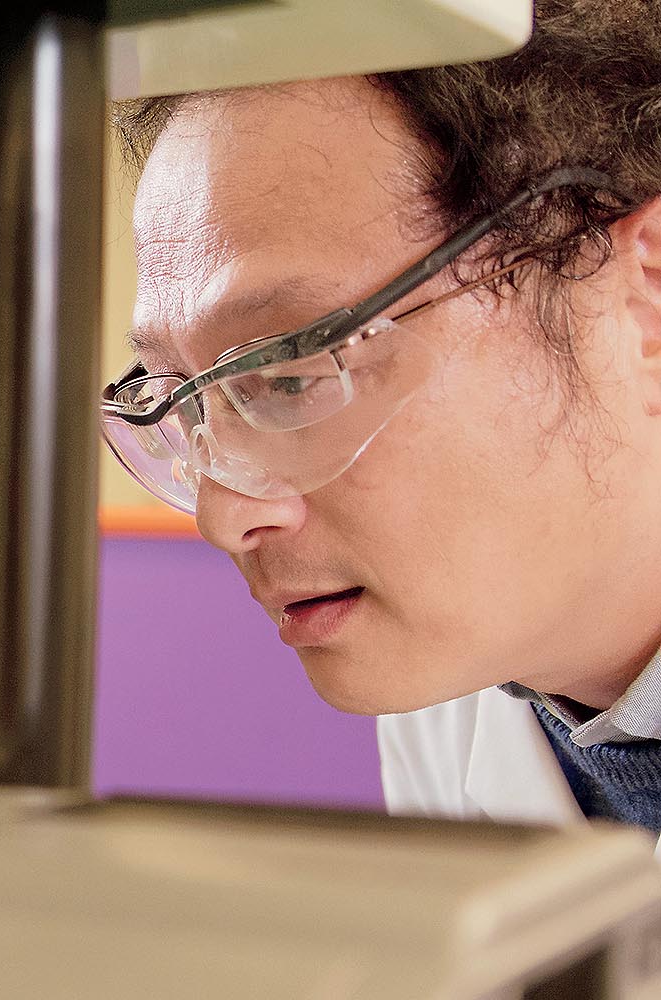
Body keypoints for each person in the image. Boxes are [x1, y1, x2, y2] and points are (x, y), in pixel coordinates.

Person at [103, 0, 661, 842]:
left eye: (289, 372)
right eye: (182, 394)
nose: (225, 516)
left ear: (644, 297)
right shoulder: (452, 695)